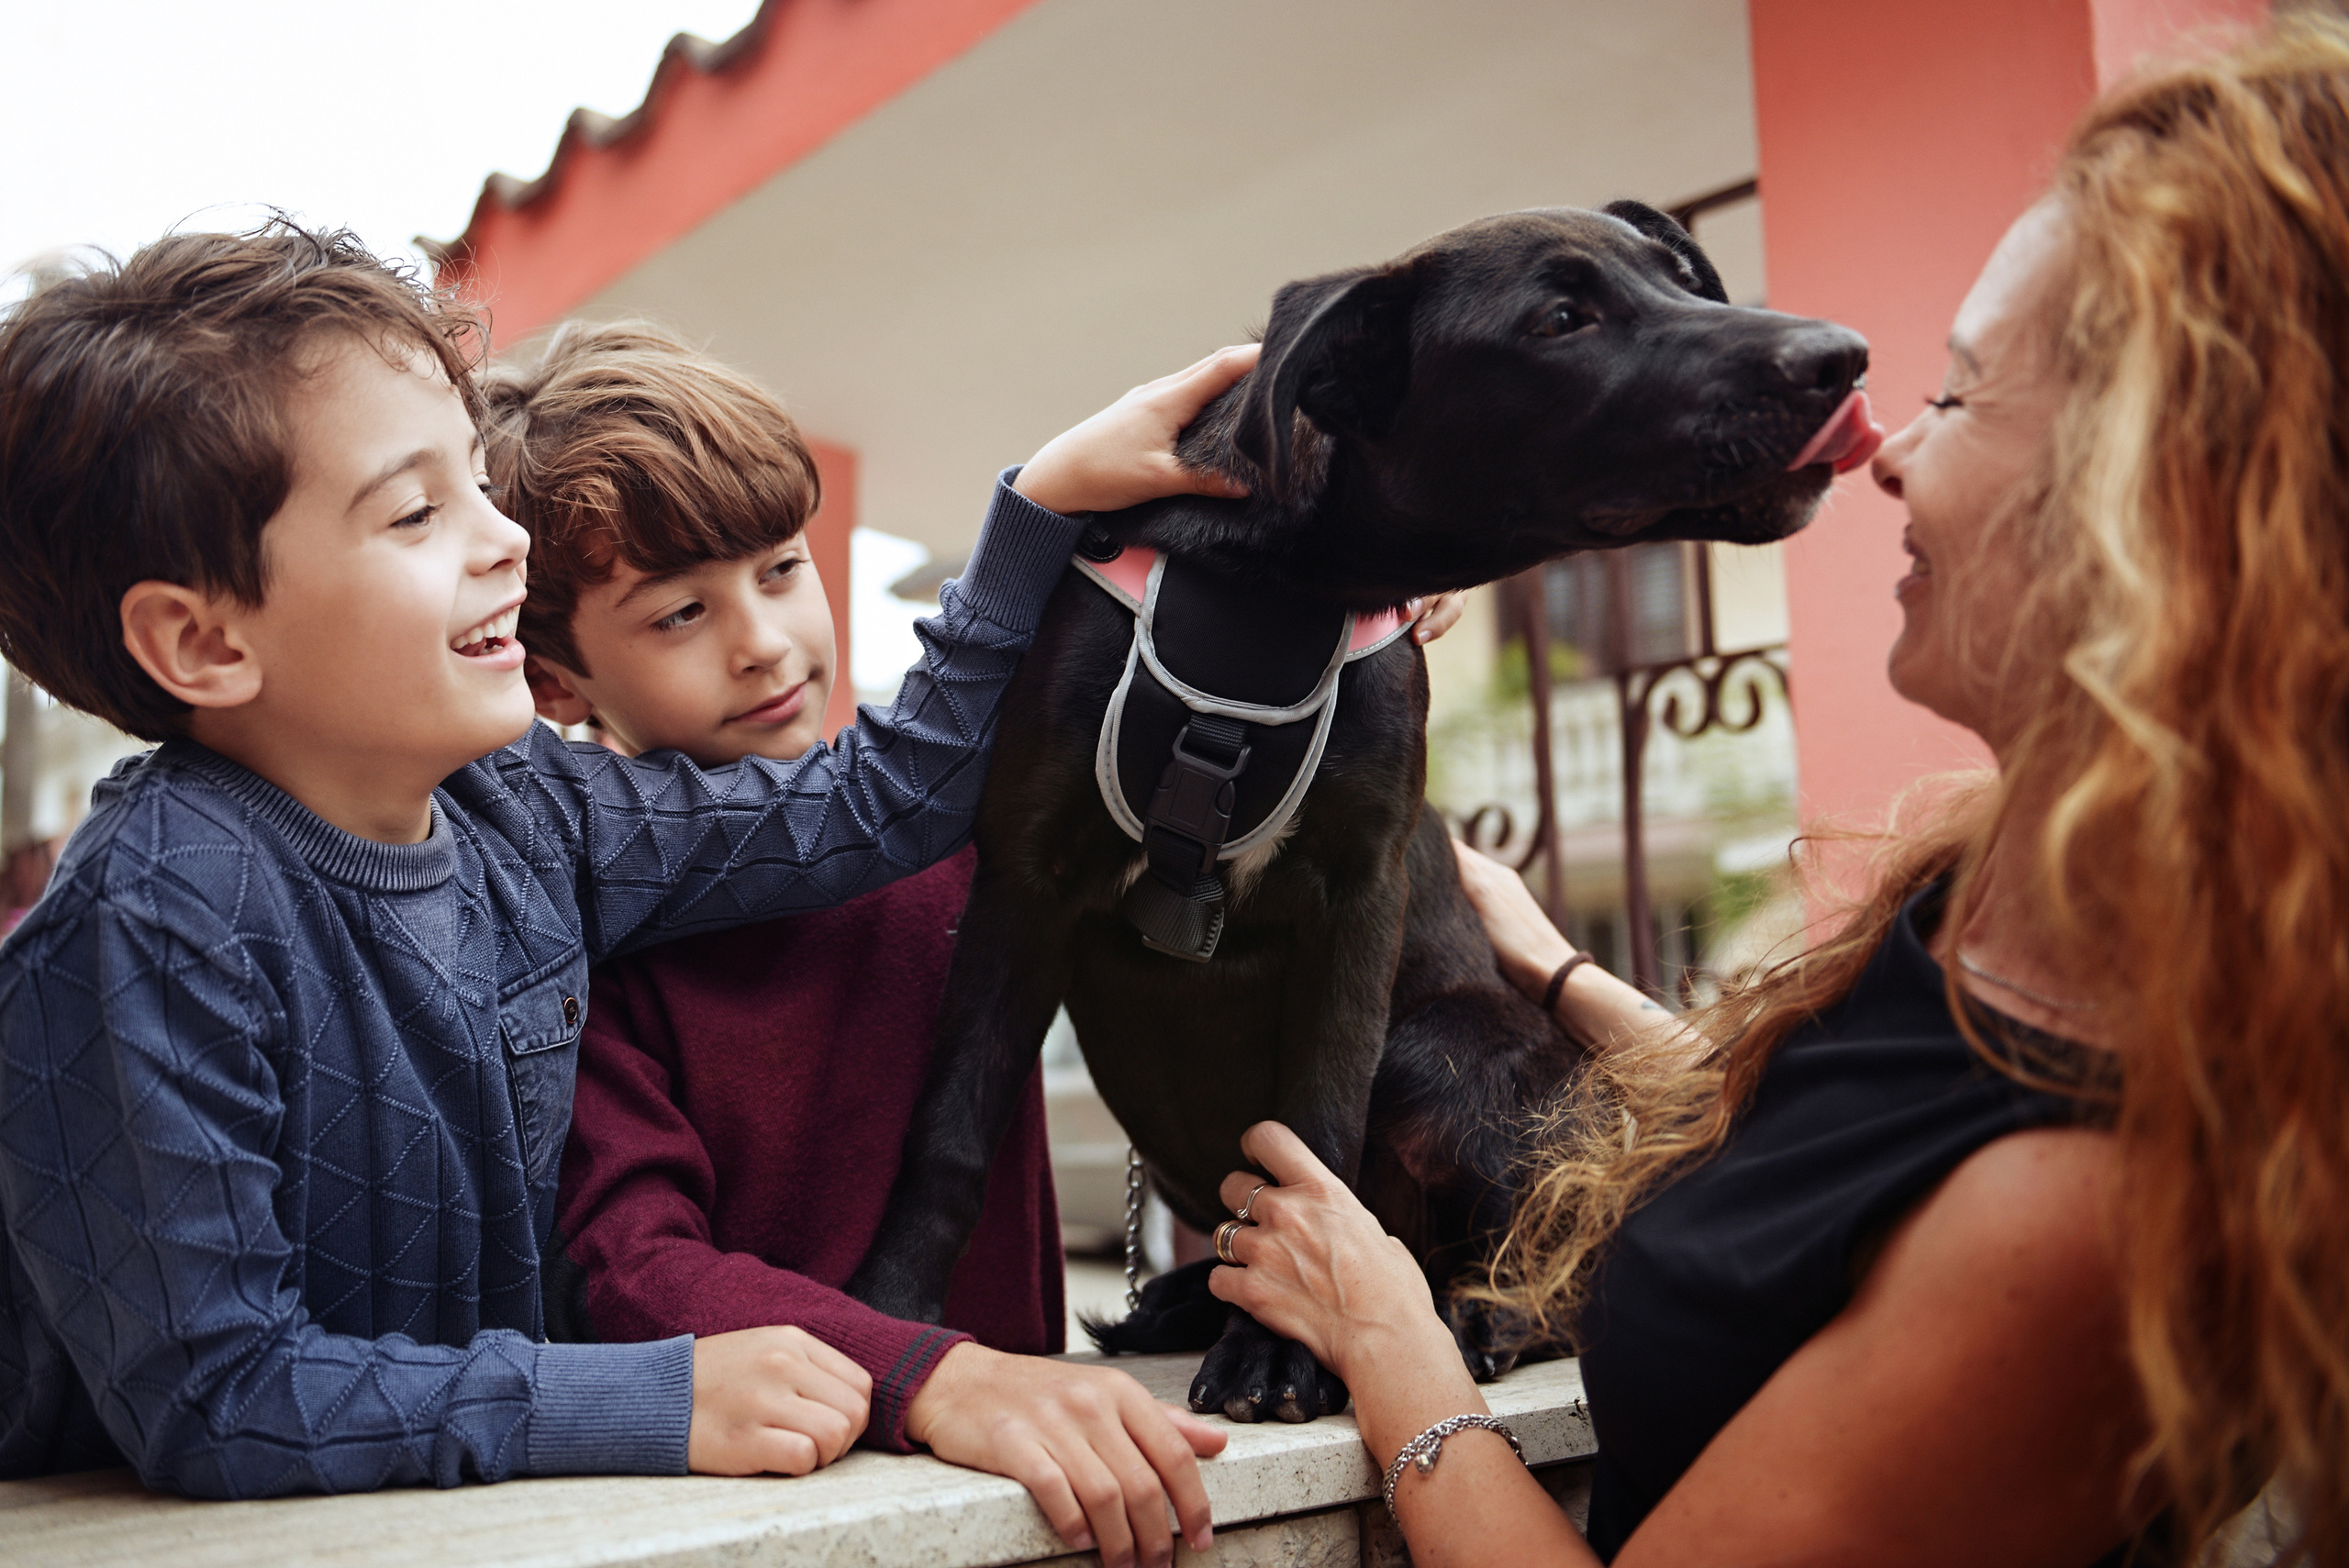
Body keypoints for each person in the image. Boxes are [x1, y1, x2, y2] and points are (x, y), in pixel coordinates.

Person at [1198, 19, 2349, 1567]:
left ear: (2165, 501)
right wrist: (1548, 963)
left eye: (1962, 397)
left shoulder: (2082, 1212)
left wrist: (1386, 1330)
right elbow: (1834, 1162)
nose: (1889, 452)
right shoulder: (2004, 880)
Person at [0, 219, 1256, 1506]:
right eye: (418, 511)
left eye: (476, 483)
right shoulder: (155, 913)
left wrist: (1041, 508)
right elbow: (222, 1396)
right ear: (204, 645)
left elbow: (874, 803)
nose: (504, 538)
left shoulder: (520, 805)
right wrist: (653, 1392)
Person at [479, 320, 1233, 1568]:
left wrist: (1359, 611)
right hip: (771, 1520)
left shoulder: (967, 825)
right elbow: (632, 1265)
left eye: (781, 567)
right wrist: (939, 1378)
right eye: (680, 612)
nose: (764, 641)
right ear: (554, 680)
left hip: (1051, 1487)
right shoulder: (576, 924)